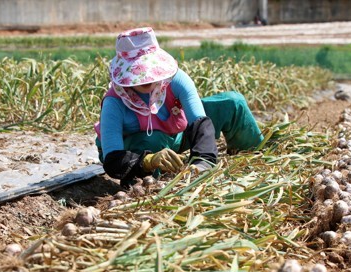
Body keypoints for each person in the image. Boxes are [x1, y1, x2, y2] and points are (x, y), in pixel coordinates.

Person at [94, 27, 263, 186]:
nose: (147, 80)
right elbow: (113, 159)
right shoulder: (114, 103)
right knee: (152, 140)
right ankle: (147, 182)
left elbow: (199, 121)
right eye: (138, 74)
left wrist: (203, 161)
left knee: (232, 103)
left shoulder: (175, 80)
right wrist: (148, 160)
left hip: (176, 134)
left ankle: (255, 157)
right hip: (134, 149)